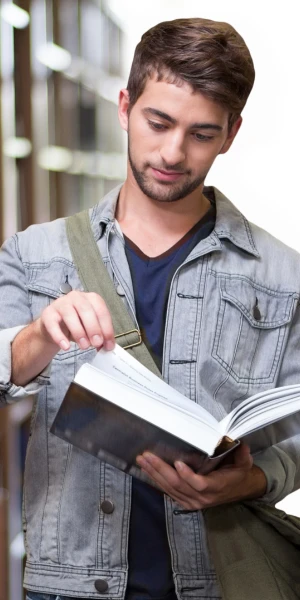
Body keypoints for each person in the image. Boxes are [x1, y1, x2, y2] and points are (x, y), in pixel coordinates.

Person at [1, 16, 300, 600]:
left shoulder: (284, 275)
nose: (172, 152)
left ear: (231, 133)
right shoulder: (35, 252)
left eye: (202, 134)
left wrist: (254, 479)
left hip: (222, 581)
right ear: (124, 105)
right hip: (69, 586)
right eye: (157, 122)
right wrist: (39, 334)